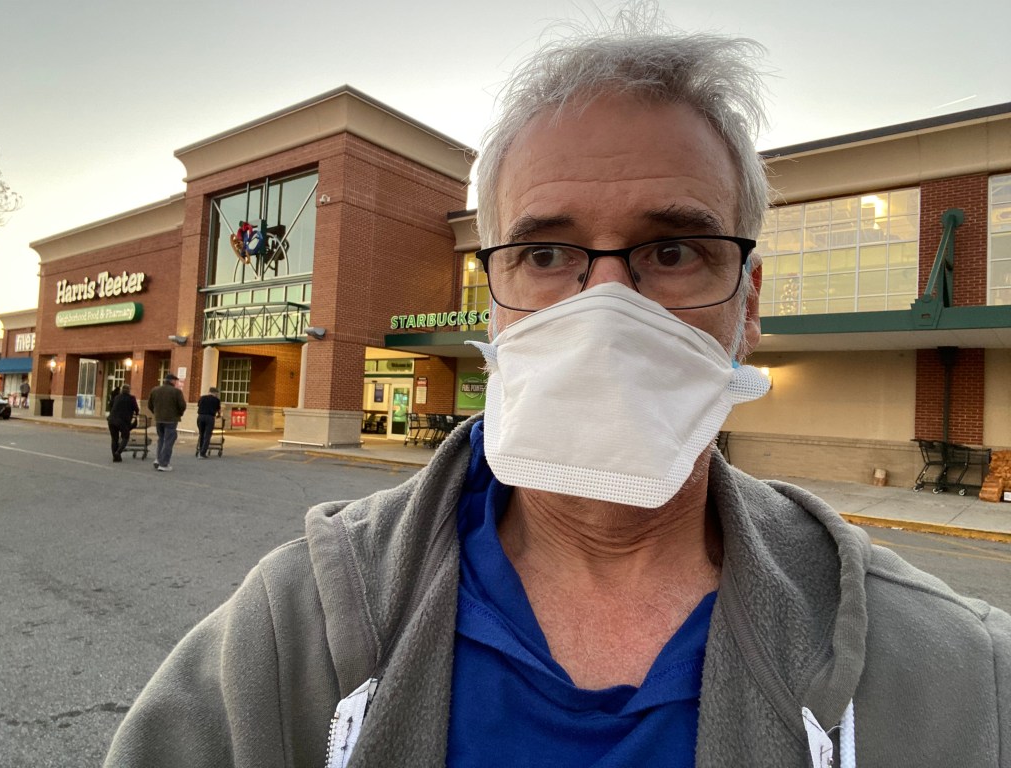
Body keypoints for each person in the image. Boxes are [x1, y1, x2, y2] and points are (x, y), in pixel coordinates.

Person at [106, 9, 1011, 768]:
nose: (606, 304)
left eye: (672, 249)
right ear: (492, 301)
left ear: (749, 304)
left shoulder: (958, 682)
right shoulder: (291, 637)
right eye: (544, 253)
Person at [147, 373, 186, 472]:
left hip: (159, 418)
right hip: (171, 419)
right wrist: (179, 414)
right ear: (172, 381)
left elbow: (149, 405)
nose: (176, 383)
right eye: (175, 381)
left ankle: (158, 459)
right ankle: (164, 463)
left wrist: (156, 413)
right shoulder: (176, 392)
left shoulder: (155, 390)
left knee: (161, 439)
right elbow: (182, 406)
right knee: (168, 441)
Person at [107, 384, 139, 463]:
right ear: (129, 390)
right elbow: (136, 409)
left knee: (114, 439)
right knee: (125, 437)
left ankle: (115, 457)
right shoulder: (131, 398)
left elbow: (111, 405)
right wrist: (136, 414)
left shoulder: (117, 397)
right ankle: (118, 452)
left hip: (112, 420)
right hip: (123, 421)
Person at [195, 386, 221, 458]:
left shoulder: (202, 398)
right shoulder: (216, 400)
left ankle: (200, 449)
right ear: (215, 393)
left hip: (200, 416)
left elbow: (199, 405)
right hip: (210, 417)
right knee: (207, 435)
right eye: (216, 393)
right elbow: (218, 410)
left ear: (209, 392)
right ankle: (203, 453)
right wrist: (218, 415)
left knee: (201, 434)